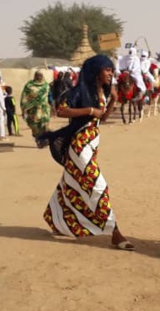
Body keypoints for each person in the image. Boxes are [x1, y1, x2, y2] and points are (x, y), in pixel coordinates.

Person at [37, 55, 134, 250]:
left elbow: (102, 119)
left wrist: (114, 100)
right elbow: (61, 111)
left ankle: (54, 217)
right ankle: (115, 232)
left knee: (71, 182)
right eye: (107, 70)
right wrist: (89, 110)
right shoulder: (79, 92)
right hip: (79, 145)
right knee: (98, 185)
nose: (111, 74)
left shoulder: (104, 92)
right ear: (96, 71)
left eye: (111, 70)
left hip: (92, 143)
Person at [20, 70, 52, 138]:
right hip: (33, 109)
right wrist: (24, 108)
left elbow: (49, 96)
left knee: (44, 124)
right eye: (37, 75)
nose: (39, 77)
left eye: (40, 75)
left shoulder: (46, 85)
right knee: (34, 125)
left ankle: (44, 138)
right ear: (35, 76)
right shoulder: (29, 85)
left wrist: (52, 105)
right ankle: (37, 137)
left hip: (44, 108)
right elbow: (24, 96)